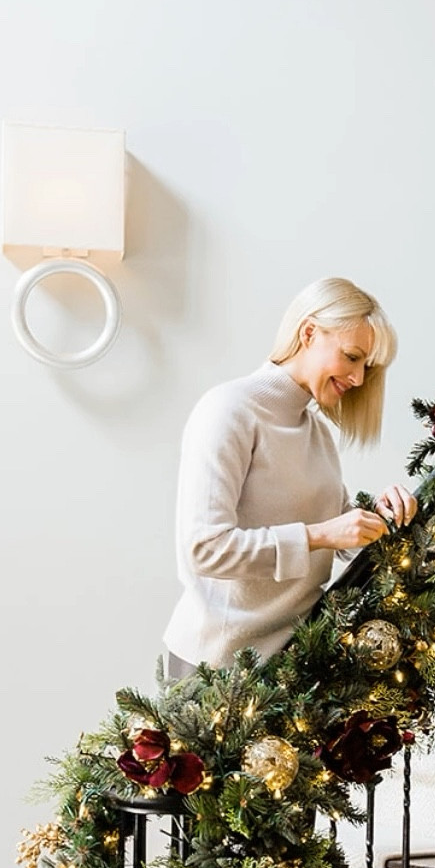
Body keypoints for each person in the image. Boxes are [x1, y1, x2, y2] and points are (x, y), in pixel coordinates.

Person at [163, 277, 417, 676]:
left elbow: (342, 535)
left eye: (366, 366)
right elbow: (205, 548)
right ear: (309, 332)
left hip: (293, 666)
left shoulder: (316, 431)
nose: (359, 379)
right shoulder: (229, 410)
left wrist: (383, 518)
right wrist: (319, 535)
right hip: (217, 668)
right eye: (351, 356)